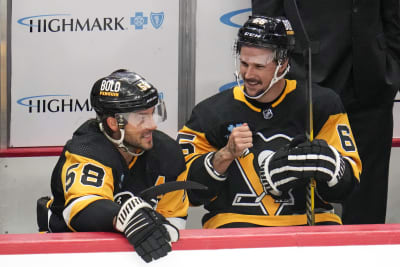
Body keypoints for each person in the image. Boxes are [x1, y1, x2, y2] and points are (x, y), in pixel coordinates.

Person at [177, 15, 362, 228]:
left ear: (282, 64)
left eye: (258, 66)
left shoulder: (321, 105)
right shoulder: (210, 112)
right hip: (235, 223)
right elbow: (186, 191)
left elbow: (349, 187)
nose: (248, 74)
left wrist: (330, 165)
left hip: (312, 221)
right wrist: (224, 155)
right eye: (244, 63)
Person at [252, 0, 400, 224]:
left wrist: (391, 67)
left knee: (367, 205)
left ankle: (364, 258)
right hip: (305, 79)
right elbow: (267, 15)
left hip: (371, 78)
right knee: (296, 195)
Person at [40, 69, 188, 263]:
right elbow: (81, 209)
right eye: (141, 117)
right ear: (113, 123)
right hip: (66, 250)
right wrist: (125, 215)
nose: (152, 125)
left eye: (153, 114)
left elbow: (173, 221)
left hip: (135, 253)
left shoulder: (169, 154)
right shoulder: (87, 150)